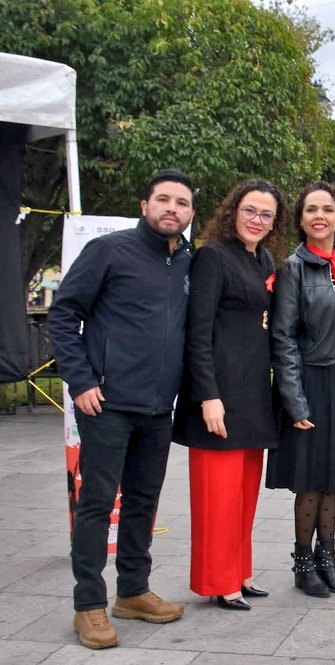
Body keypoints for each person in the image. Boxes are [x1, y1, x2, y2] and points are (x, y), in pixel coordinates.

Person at [48, 169, 194, 649]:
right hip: (106, 404)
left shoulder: (187, 261)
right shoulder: (109, 251)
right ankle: (88, 604)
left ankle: (132, 591)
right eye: (163, 199)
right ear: (144, 205)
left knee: (143, 502)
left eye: (182, 203)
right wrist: (81, 380)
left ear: (191, 213)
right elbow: (63, 315)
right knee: (96, 503)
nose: (172, 208)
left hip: (158, 408)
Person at [173, 178, 286, 610]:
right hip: (218, 393)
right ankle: (218, 580)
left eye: (266, 214)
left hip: (253, 391)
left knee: (243, 494)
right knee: (217, 496)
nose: (257, 219)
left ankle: (238, 571)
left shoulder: (263, 259)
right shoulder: (212, 257)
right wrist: (207, 396)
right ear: (233, 211)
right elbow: (197, 332)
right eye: (250, 210)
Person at [266, 182, 335, 598]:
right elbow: (283, 337)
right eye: (311, 209)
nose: (319, 216)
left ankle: (328, 558)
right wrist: (294, 401)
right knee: (311, 476)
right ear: (301, 218)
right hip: (311, 377)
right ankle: (303, 563)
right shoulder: (294, 267)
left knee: (333, 476)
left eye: (328, 209)